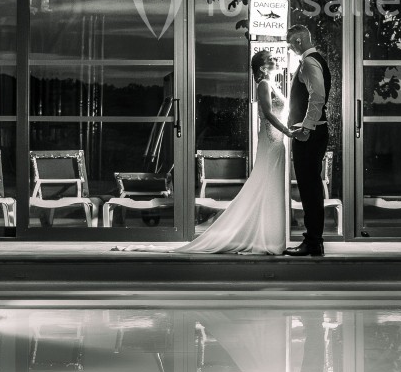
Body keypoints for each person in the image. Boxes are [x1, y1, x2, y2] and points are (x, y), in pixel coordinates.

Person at [115, 49, 292, 254]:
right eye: (271, 59)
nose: (276, 60)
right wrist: (287, 131)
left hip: (278, 141)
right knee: (266, 183)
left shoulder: (274, 84)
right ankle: (265, 239)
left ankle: (269, 235)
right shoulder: (263, 84)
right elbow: (268, 113)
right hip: (271, 139)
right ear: (262, 67)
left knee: (272, 185)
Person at [284, 25, 331, 257]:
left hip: (310, 136)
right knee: (309, 188)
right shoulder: (314, 61)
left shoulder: (310, 62)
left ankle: (313, 242)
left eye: (291, 43)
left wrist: (306, 127)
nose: (290, 48)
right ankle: (314, 241)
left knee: (309, 189)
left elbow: (318, 96)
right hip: (313, 134)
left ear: (300, 40)